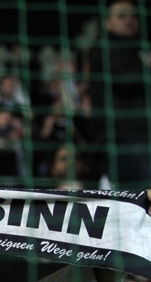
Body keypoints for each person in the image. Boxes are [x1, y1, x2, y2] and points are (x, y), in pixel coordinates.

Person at [88, 0, 149, 188]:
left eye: (133, 16)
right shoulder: (105, 48)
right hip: (122, 140)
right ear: (108, 22)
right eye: (122, 16)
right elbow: (126, 81)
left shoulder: (133, 49)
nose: (129, 20)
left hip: (140, 138)